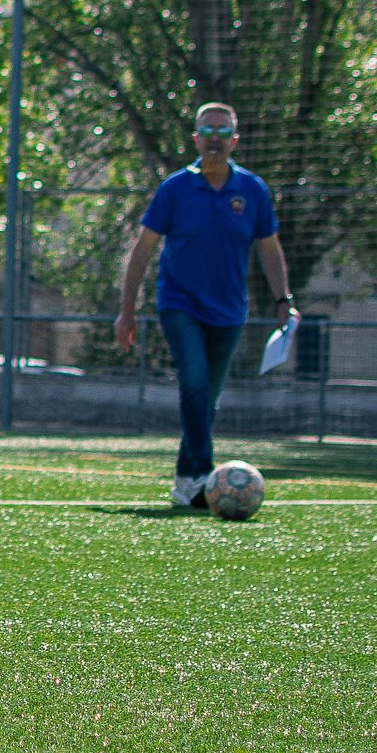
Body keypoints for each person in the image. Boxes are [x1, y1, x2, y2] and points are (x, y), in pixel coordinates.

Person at [116, 103, 294, 509]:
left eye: (222, 131)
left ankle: (185, 479)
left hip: (230, 312)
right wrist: (127, 309)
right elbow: (142, 250)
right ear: (195, 138)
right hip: (180, 305)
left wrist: (284, 299)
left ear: (235, 140)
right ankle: (204, 476)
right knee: (194, 383)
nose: (214, 138)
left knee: (206, 398)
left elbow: (269, 248)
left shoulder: (252, 190)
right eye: (206, 131)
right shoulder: (175, 189)